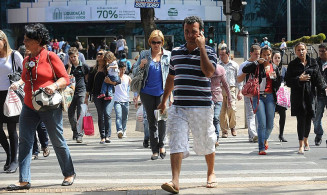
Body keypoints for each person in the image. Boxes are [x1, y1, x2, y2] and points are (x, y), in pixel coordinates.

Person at [7, 23, 75, 191]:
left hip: (49, 106)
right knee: (25, 142)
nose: (24, 41)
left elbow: (65, 78)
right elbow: (24, 79)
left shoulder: (51, 56)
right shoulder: (26, 60)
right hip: (29, 106)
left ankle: (69, 173)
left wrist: (53, 85)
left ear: (37, 41)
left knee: (57, 141)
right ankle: (24, 180)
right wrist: (17, 83)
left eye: (27, 39)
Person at [157, 16, 217, 194]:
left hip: (202, 106)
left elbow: (208, 72)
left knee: (206, 140)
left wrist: (202, 48)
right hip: (179, 106)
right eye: (186, 31)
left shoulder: (210, 51)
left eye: (194, 31)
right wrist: (164, 101)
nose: (190, 35)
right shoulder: (175, 52)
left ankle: (211, 172)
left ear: (201, 33)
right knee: (176, 140)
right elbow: (171, 77)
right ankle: (175, 181)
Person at [133, 29, 171, 160]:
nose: (156, 44)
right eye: (153, 42)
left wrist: (172, 95)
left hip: (162, 93)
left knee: (162, 119)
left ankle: (162, 145)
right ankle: (154, 149)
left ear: (162, 42)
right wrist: (141, 66)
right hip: (146, 92)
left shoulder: (167, 55)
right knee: (151, 121)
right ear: (150, 42)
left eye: (158, 42)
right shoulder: (144, 54)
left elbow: (172, 76)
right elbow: (134, 72)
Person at [285, 42, 327, 154]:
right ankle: (300, 145)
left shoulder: (313, 63)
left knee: (308, 119)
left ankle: (306, 140)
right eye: (298, 50)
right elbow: (288, 81)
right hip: (298, 96)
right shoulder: (292, 64)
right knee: (300, 120)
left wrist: (324, 88)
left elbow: (318, 79)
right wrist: (299, 79)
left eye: (302, 49)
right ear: (295, 52)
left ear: (306, 50)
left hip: (310, 96)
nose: (301, 51)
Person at [242, 46, 281, 155]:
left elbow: (278, 84)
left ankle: (264, 139)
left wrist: (276, 78)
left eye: (268, 55)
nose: (266, 57)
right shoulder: (257, 66)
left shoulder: (274, 67)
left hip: (270, 97)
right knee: (262, 123)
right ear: (261, 55)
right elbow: (245, 70)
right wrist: (255, 62)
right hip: (258, 96)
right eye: (264, 55)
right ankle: (261, 148)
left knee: (270, 125)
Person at [0, 30, 23, 174]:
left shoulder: (14, 55)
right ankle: (8, 154)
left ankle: (14, 159)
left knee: (11, 128)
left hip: (10, 94)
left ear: (3, 40)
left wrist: (18, 83)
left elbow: (25, 75)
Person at [86, 50, 120, 144]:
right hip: (97, 94)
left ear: (105, 56)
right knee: (101, 115)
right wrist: (86, 96)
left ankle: (108, 135)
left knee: (107, 113)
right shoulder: (93, 69)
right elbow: (89, 84)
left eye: (101, 54)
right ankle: (102, 136)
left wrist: (111, 82)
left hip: (109, 94)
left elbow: (118, 80)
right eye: (98, 54)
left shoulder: (109, 68)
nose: (99, 55)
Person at [66, 47, 90, 143]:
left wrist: (87, 94)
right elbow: (65, 78)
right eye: (71, 57)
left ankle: (80, 134)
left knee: (80, 113)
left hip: (81, 91)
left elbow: (87, 79)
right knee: (70, 114)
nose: (73, 59)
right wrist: (70, 67)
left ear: (78, 56)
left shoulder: (84, 66)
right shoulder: (67, 66)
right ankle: (75, 131)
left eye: (74, 57)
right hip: (70, 93)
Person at [237, 45, 260, 142]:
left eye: (259, 54)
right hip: (249, 92)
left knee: (258, 114)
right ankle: (254, 135)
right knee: (251, 114)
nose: (257, 56)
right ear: (251, 53)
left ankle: (253, 135)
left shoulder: (260, 63)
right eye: (255, 54)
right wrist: (240, 91)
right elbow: (239, 79)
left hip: (259, 92)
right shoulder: (244, 64)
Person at [218, 47, 242, 138]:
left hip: (231, 89)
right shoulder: (217, 65)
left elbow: (239, 79)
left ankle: (232, 126)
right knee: (221, 111)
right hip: (220, 89)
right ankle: (224, 131)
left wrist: (239, 91)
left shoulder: (234, 65)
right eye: (220, 54)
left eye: (223, 54)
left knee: (232, 108)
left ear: (228, 54)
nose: (221, 56)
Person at [211, 63, 232, 147]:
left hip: (218, 97)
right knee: (208, 119)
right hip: (206, 98)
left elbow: (226, 84)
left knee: (215, 117)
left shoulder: (220, 69)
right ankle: (209, 138)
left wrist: (230, 98)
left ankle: (216, 138)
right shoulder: (203, 68)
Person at [272, 50, 288, 142]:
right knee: (271, 115)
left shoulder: (284, 69)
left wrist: (284, 84)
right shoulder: (270, 68)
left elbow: (287, 80)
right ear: (272, 58)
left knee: (283, 114)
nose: (277, 59)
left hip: (281, 94)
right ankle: (267, 133)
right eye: (275, 58)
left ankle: (281, 134)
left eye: (279, 58)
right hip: (272, 93)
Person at [313, 43, 327, 146]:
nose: (321, 53)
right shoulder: (315, 62)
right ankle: (319, 133)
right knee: (317, 117)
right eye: (320, 51)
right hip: (319, 94)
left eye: (323, 51)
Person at [113, 61, 131, 138]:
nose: (122, 71)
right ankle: (119, 130)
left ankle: (124, 130)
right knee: (118, 116)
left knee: (125, 117)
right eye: (121, 69)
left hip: (126, 100)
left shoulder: (127, 77)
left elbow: (131, 87)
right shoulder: (115, 77)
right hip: (117, 100)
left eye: (124, 69)